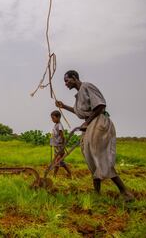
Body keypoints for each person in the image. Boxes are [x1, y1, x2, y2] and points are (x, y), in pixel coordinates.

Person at [55, 70, 133, 201]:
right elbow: (80, 112)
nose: (65, 84)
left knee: (100, 157)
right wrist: (64, 107)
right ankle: (97, 193)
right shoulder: (78, 95)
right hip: (91, 124)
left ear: (74, 78)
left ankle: (125, 192)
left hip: (99, 123)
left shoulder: (87, 86)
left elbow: (101, 105)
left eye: (67, 80)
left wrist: (87, 122)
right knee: (91, 157)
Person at [50, 110, 72, 178]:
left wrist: (62, 144)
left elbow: (62, 135)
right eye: (52, 118)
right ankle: (69, 173)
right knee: (61, 162)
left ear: (59, 117)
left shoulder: (59, 125)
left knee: (57, 161)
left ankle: (54, 176)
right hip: (56, 146)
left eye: (53, 118)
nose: (52, 119)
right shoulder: (56, 125)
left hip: (59, 146)